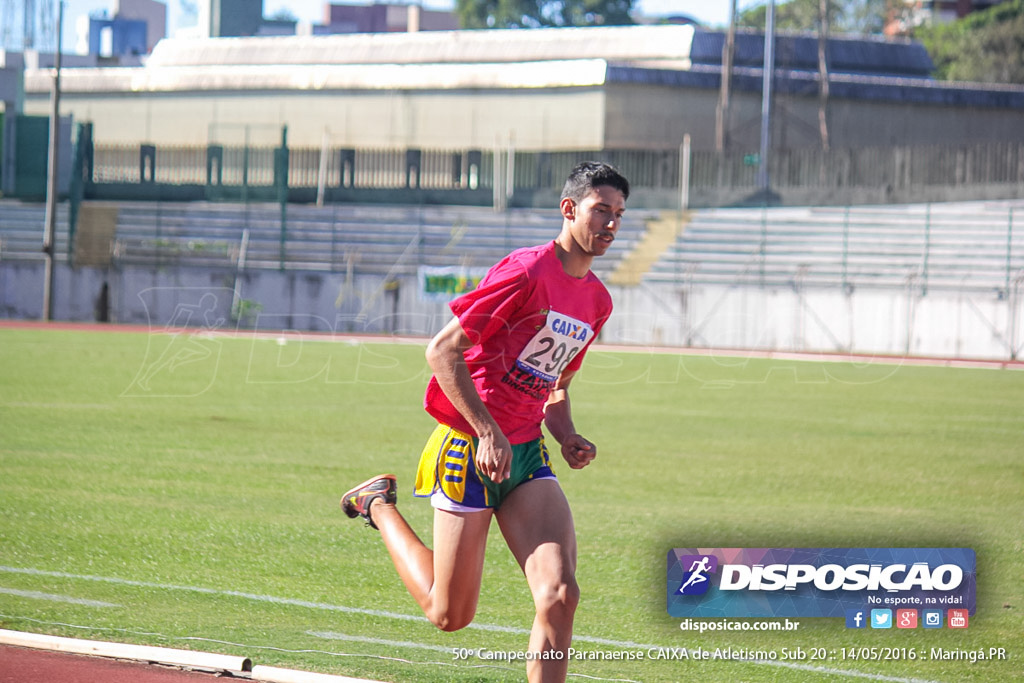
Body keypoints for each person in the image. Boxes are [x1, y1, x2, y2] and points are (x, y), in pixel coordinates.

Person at [341, 161, 630, 683]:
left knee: (560, 596)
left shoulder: (597, 303)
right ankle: (377, 504)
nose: (610, 224)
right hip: (467, 451)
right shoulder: (524, 272)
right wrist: (486, 430)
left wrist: (566, 435)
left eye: (619, 215)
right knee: (449, 615)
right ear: (569, 209)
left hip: (525, 457)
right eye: (600, 210)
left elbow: (555, 383)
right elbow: (442, 351)